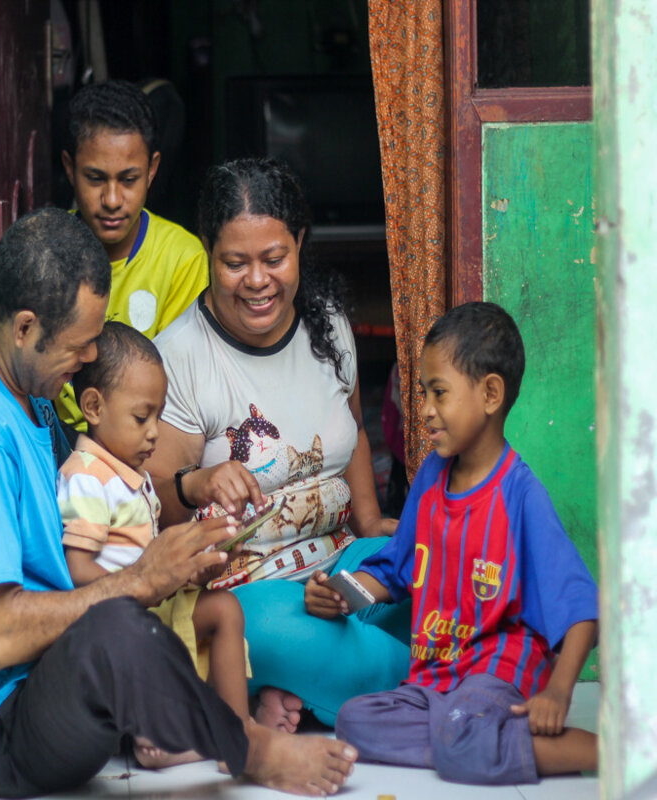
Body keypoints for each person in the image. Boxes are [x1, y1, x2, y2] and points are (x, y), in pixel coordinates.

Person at [0, 207, 359, 798]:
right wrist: (137, 580)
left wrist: (184, 532)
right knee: (118, 626)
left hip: (56, 675)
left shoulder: (27, 396)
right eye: (79, 348)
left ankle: (208, 721)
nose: (86, 362)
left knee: (181, 604)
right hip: (5, 728)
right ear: (25, 328)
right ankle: (247, 747)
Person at [147, 157, 410, 734]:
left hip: (338, 563)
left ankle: (298, 683)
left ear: (300, 245)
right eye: (235, 263)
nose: (258, 280)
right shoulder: (180, 358)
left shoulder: (330, 324)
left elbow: (352, 429)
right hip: (249, 593)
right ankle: (428, 682)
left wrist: (369, 525)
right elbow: (159, 508)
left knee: (438, 566)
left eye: (274, 258)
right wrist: (198, 485)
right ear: (208, 256)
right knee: (272, 634)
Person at [312, 301, 598, 784]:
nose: (422, 409)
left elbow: (580, 606)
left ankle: (606, 747)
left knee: (464, 727)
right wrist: (342, 595)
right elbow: (394, 571)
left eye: (438, 393)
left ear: (490, 394)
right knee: (353, 722)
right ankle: (471, 743)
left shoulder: (520, 494)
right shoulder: (429, 478)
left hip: (496, 669)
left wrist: (559, 693)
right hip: (437, 674)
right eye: (422, 392)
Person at [57, 321, 252, 767]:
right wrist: (138, 585)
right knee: (156, 637)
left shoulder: (132, 474)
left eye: (158, 417)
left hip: (155, 600)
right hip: (123, 615)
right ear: (94, 406)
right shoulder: (87, 476)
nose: (154, 433)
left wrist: (199, 562)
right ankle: (157, 739)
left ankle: (237, 729)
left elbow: (150, 547)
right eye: (141, 417)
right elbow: (76, 569)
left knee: (225, 609)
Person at [55, 79, 209, 432]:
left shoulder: (181, 260)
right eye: (95, 179)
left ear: (152, 169)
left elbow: (179, 391)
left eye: (129, 180)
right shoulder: (46, 252)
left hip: (148, 450)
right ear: (69, 168)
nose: (111, 199)